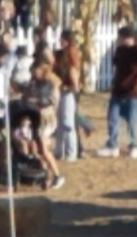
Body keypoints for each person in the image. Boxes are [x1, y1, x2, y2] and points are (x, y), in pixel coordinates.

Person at [99, 26, 137, 159]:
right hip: (118, 90)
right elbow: (116, 65)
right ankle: (112, 146)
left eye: (121, 37)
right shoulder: (120, 50)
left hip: (133, 92)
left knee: (132, 121)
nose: (119, 40)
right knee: (113, 118)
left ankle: (134, 145)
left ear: (129, 38)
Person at [18, 59, 66, 188]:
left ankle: (57, 175)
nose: (33, 73)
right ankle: (47, 176)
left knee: (44, 150)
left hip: (46, 119)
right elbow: (25, 98)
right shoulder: (33, 84)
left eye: (35, 71)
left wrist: (32, 100)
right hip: (37, 118)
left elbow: (45, 101)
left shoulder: (49, 84)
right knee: (38, 149)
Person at [52, 29, 89, 162]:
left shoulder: (71, 53)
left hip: (68, 91)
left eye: (62, 39)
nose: (60, 41)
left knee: (68, 122)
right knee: (60, 122)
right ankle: (59, 151)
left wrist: (74, 86)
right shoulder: (60, 54)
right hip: (61, 89)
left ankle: (71, 153)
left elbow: (74, 71)